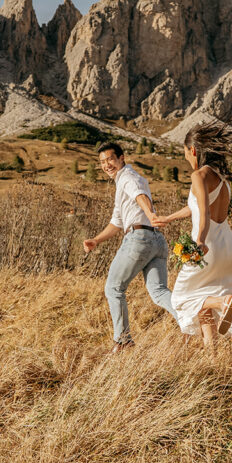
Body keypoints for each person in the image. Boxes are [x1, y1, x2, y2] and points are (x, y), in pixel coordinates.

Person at [153, 122, 232, 347]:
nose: (187, 160)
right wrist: (168, 218)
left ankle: (223, 302)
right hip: (228, 246)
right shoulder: (221, 177)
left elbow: (203, 212)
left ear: (193, 151)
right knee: (202, 302)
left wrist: (200, 241)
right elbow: (197, 207)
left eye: (185, 154)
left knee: (182, 297)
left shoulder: (199, 176)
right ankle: (211, 355)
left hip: (208, 246)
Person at [84, 141, 176, 353]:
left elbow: (139, 195)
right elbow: (117, 222)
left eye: (110, 159)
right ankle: (192, 321)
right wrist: (96, 240)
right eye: (102, 162)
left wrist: (151, 213)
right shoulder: (122, 182)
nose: (106, 165)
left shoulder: (127, 177)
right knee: (159, 292)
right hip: (157, 241)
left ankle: (123, 341)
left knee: (113, 288)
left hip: (139, 238)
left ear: (121, 158)